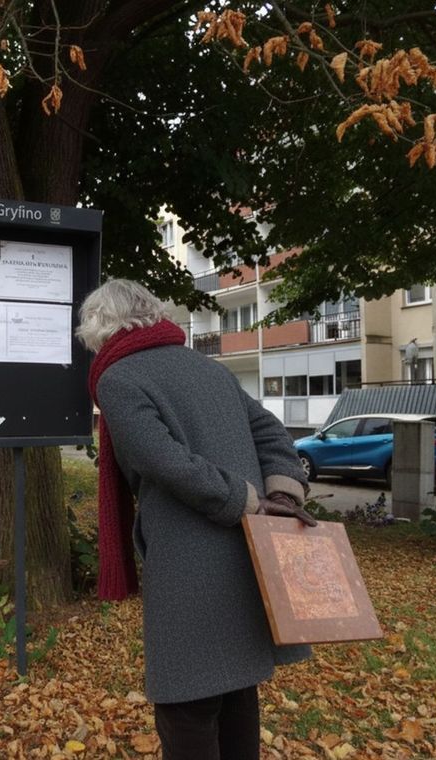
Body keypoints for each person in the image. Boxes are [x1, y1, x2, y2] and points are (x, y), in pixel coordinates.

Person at [76, 278, 317, 760]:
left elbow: (163, 460)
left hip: (188, 563)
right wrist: (282, 492)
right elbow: (272, 431)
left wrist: (245, 501)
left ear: (100, 328)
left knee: (185, 703)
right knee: (236, 692)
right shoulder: (207, 368)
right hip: (248, 556)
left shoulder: (118, 378)